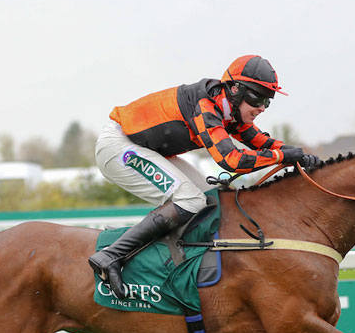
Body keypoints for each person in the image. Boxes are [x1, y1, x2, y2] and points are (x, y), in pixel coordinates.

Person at [88, 54, 318, 298]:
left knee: (210, 199)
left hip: (143, 147)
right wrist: (282, 156)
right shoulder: (206, 107)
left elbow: (261, 141)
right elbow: (232, 160)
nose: (261, 108)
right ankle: (111, 256)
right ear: (235, 89)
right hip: (119, 147)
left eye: (267, 101)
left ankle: (177, 261)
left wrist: (298, 155)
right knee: (190, 200)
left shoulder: (229, 109)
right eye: (257, 98)